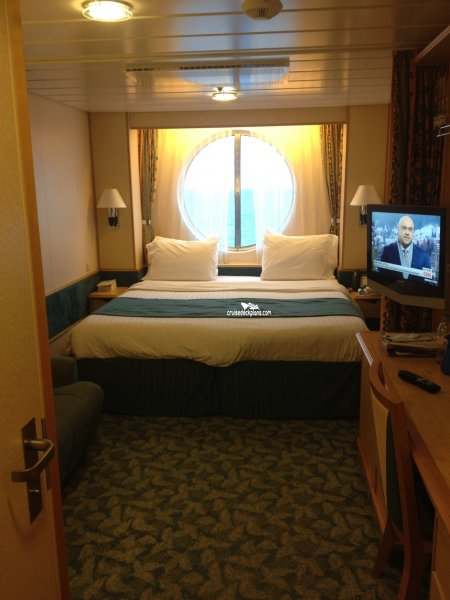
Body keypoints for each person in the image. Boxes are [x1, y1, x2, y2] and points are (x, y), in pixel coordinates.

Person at [379, 215, 430, 280]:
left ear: (413, 232)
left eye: (410, 229)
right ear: (398, 229)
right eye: (404, 228)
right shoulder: (387, 251)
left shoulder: (423, 256)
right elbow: (381, 278)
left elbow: (428, 281)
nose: (407, 233)